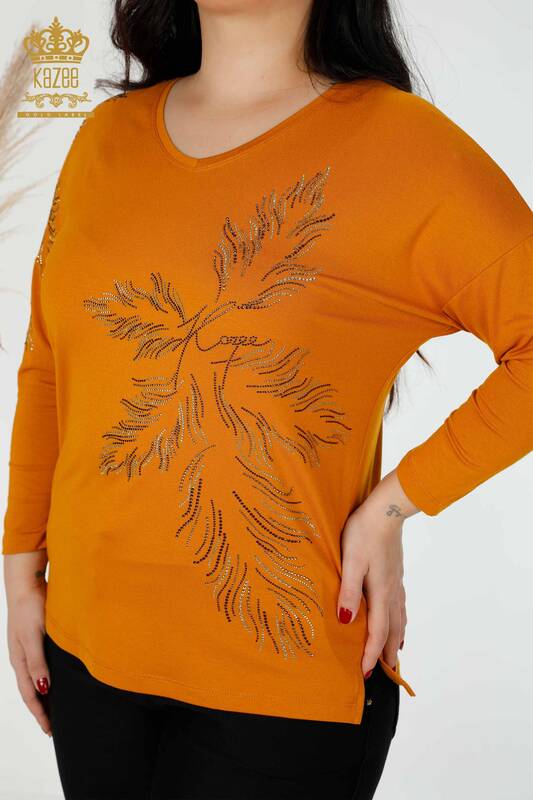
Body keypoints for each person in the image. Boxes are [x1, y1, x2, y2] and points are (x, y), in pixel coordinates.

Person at [3, 1, 532, 798]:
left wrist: (393, 504)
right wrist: (20, 568)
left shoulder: (405, 148)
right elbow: (49, 361)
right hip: (86, 660)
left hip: (283, 692)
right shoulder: (106, 138)